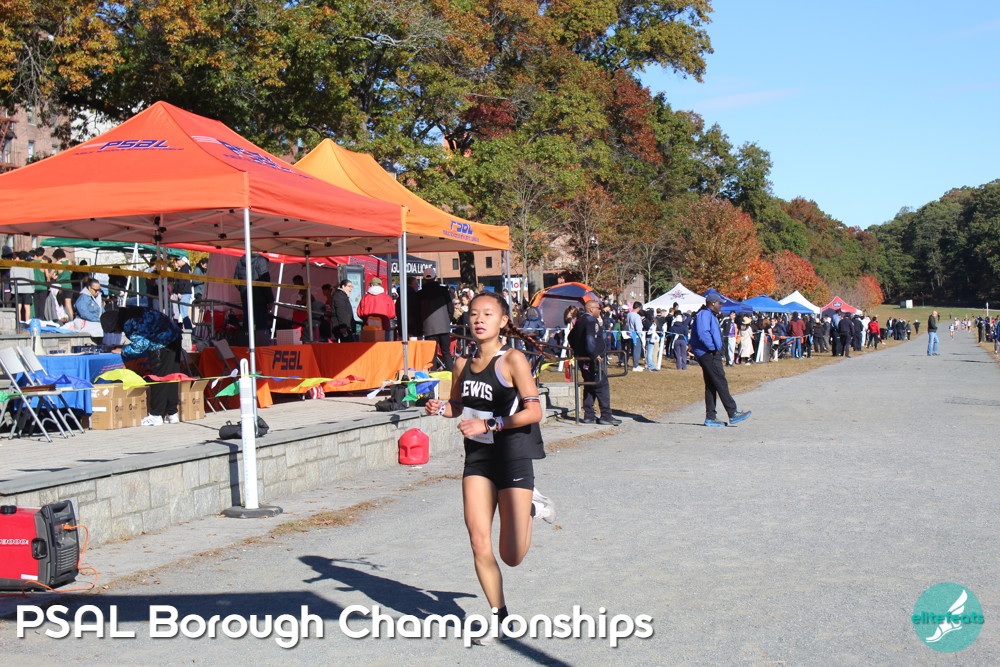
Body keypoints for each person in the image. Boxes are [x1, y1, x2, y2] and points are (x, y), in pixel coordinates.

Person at [424, 291, 552, 644]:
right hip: (478, 459)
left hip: (512, 456)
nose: (479, 319)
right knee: (479, 541)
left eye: (488, 314)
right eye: (473, 313)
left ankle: (531, 506)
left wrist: (490, 424)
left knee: (512, 556)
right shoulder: (461, 364)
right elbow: (456, 406)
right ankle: (499, 617)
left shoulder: (512, 359)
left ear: (503, 321)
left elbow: (534, 411)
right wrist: (439, 408)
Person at [101, 307, 181, 426]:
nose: (115, 333)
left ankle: (156, 415)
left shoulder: (129, 322)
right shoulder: (132, 313)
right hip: (174, 337)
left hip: (161, 343)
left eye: (113, 331)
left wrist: (123, 351)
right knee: (171, 377)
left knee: (158, 379)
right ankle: (172, 413)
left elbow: (141, 345)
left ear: (116, 325)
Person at [690, 297, 751, 427]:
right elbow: (703, 333)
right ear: (712, 303)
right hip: (708, 353)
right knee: (720, 381)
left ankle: (710, 417)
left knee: (711, 384)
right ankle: (732, 412)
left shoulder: (709, 314)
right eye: (719, 303)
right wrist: (713, 348)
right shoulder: (704, 314)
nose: (721, 306)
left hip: (707, 352)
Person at [567, 299, 621, 425]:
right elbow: (590, 340)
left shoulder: (581, 321)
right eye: (598, 308)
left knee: (590, 385)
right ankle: (606, 415)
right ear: (591, 309)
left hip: (583, 358)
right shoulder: (591, 321)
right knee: (602, 385)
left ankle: (589, 415)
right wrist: (594, 355)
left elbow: (571, 337)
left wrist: (577, 350)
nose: (600, 310)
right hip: (592, 360)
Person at [417, 267, 454, 371]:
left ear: (424, 279)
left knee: (431, 354)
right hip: (444, 326)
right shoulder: (443, 291)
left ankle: (433, 375)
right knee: (446, 352)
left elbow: (418, 311)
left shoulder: (420, 294)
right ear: (435, 278)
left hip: (429, 328)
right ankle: (451, 374)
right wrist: (448, 319)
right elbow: (450, 308)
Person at [170, 256, 194, 329]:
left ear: (183, 261)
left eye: (178, 260)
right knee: (183, 313)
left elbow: (182, 282)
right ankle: (188, 328)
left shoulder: (184, 270)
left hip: (184, 293)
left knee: (184, 313)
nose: (177, 262)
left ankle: (189, 329)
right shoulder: (185, 269)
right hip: (185, 292)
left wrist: (179, 292)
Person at [626, 301, 644, 372]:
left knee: (633, 350)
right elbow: (638, 327)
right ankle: (635, 365)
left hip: (631, 334)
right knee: (637, 350)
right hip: (636, 335)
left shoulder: (629, 314)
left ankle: (635, 364)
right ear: (639, 308)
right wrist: (640, 334)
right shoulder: (636, 316)